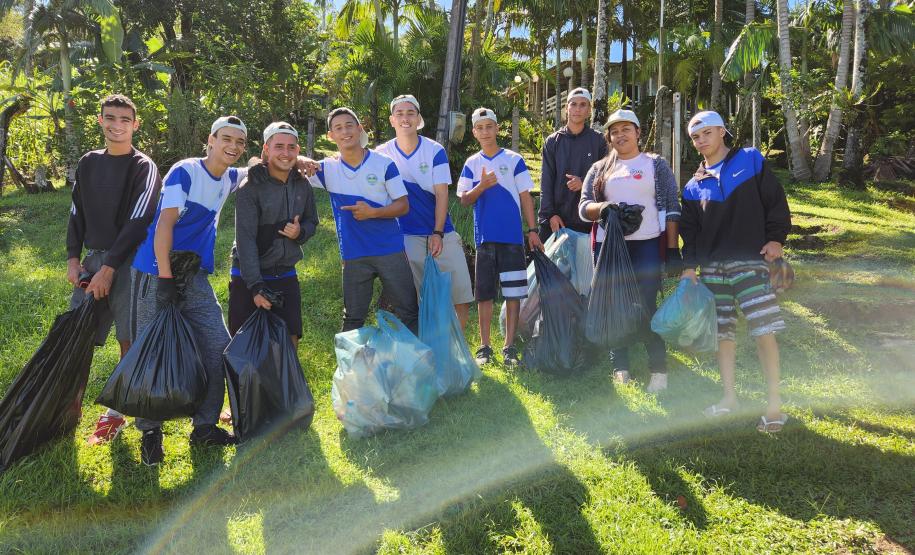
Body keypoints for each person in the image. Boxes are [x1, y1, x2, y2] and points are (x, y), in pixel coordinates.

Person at [130, 116, 251, 465]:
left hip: (193, 275)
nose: (232, 146)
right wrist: (165, 279)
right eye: (225, 138)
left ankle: (204, 427)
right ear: (210, 140)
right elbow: (164, 225)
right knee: (150, 350)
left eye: (239, 142)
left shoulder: (229, 176)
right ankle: (151, 432)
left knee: (218, 346)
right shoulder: (186, 171)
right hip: (156, 271)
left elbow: (253, 168)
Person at [680, 110, 791, 433]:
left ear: (722, 131)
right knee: (723, 335)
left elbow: (775, 201)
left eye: (706, 134)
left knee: (763, 329)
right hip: (714, 269)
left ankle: (774, 405)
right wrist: (690, 267)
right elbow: (692, 232)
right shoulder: (692, 186)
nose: (701, 141)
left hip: (751, 261)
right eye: (695, 137)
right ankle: (729, 398)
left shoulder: (751, 160)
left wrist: (775, 239)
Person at [66, 94, 162, 446]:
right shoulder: (88, 163)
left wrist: (109, 269)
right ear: (100, 120)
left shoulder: (144, 167)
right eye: (110, 118)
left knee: (129, 339)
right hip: (93, 259)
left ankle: (117, 414)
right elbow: (76, 211)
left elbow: (138, 221)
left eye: (124, 119)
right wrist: (74, 258)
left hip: (132, 262)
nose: (116, 125)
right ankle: (67, 409)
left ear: (135, 125)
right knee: (77, 336)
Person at [578, 109, 682, 393]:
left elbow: (672, 208)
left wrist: (672, 249)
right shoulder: (600, 169)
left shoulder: (655, 165)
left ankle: (658, 367)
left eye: (627, 129)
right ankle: (619, 365)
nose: (620, 135)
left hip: (646, 243)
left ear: (638, 132)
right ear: (609, 137)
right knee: (615, 304)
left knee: (646, 304)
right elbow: (584, 207)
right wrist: (605, 208)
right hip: (609, 245)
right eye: (614, 131)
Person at [306, 107, 419, 334]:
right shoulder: (327, 169)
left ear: (359, 129)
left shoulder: (384, 164)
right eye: (338, 128)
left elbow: (403, 205)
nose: (345, 131)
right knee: (352, 318)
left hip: (389, 251)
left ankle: (417, 366)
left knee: (408, 312)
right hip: (354, 254)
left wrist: (373, 213)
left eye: (349, 125)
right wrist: (300, 158)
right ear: (331, 136)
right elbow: (292, 166)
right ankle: (351, 369)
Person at [375, 94, 474, 328]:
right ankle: (429, 349)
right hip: (405, 235)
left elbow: (441, 194)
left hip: (441, 231)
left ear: (418, 118)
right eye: (399, 113)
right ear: (391, 120)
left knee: (459, 297)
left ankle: (454, 351)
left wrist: (438, 233)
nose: (405, 118)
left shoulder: (434, 150)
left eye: (410, 113)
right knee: (419, 300)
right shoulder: (380, 153)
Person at [457, 107, 544, 367]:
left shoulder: (514, 159)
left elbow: (525, 196)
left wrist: (532, 230)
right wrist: (481, 186)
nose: (485, 131)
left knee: (514, 293)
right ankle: (484, 347)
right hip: (485, 239)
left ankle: (509, 347)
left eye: (489, 126)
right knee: (484, 294)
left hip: (512, 239)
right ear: (474, 132)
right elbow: (463, 200)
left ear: (497, 129)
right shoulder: (472, 163)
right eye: (480, 127)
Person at [228, 122, 318, 348]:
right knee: (244, 345)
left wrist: (301, 232)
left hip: (285, 273)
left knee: (290, 339)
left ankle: (285, 384)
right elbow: (245, 240)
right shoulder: (251, 185)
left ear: (298, 151)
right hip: (248, 276)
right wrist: (256, 286)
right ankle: (244, 386)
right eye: (279, 146)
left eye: (291, 147)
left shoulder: (302, 184)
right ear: (266, 149)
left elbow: (312, 221)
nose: (285, 153)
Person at [537, 87, 609, 243]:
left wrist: (584, 183)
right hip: (557, 222)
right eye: (573, 104)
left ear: (589, 110)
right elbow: (546, 183)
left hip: (588, 222)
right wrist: (550, 215)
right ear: (566, 108)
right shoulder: (552, 142)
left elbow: (606, 177)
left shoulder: (599, 141)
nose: (578, 109)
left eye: (583, 104)